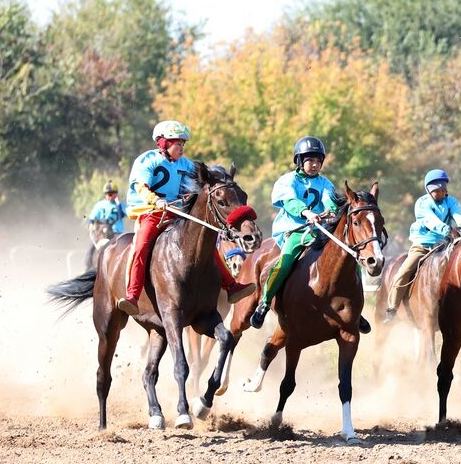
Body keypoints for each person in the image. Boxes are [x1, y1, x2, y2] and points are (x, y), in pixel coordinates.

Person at [117, 121, 255, 316]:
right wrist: (156, 201)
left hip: (177, 213)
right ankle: (132, 295)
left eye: (183, 144)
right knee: (141, 246)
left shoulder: (186, 164)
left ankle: (231, 286)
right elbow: (141, 187)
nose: (181, 148)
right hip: (151, 212)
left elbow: (202, 181)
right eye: (177, 143)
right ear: (163, 143)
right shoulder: (148, 160)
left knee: (205, 244)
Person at [249, 136, 338, 328]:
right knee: (285, 262)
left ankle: (354, 309)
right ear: (299, 161)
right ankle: (264, 302)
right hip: (294, 230)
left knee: (346, 257)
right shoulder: (287, 180)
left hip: (319, 230)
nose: (314, 165)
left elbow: (330, 200)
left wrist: (330, 211)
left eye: (318, 161)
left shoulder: (325, 183)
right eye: (310, 161)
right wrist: (306, 213)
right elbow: (289, 201)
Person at [384, 168, 461, 319]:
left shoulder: (451, 201)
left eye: (443, 189)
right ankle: (392, 308)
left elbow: (458, 215)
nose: (441, 193)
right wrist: (448, 230)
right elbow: (431, 221)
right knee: (403, 271)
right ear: (429, 191)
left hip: (445, 245)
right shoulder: (422, 203)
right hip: (423, 245)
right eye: (437, 191)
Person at [85, 181, 127, 268]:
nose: (110, 196)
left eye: (112, 193)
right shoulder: (100, 205)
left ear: (116, 194)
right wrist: (91, 225)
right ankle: (87, 266)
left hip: (117, 233)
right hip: (103, 232)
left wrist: (118, 205)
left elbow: (124, 214)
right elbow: (92, 218)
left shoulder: (121, 205)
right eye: (108, 194)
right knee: (92, 247)